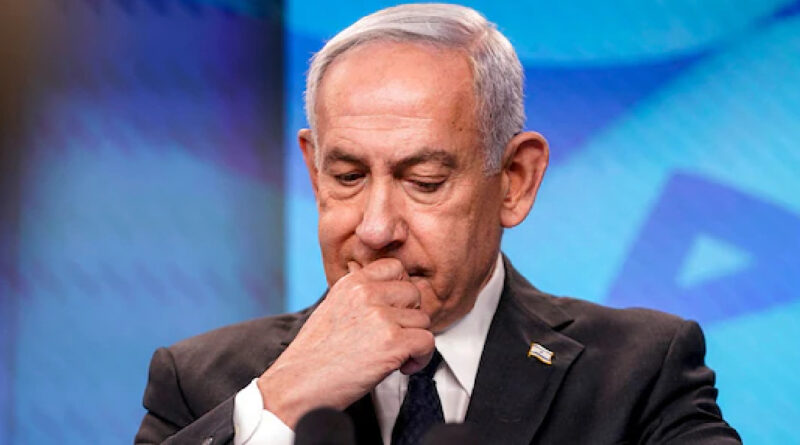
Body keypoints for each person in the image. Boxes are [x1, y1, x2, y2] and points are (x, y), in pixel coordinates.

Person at [135, 4, 741, 444]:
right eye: (348, 176)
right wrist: (282, 401)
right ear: (314, 174)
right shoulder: (200, 381)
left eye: (424, 181)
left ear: (515, 179)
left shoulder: (640, 373)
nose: (376, 229)